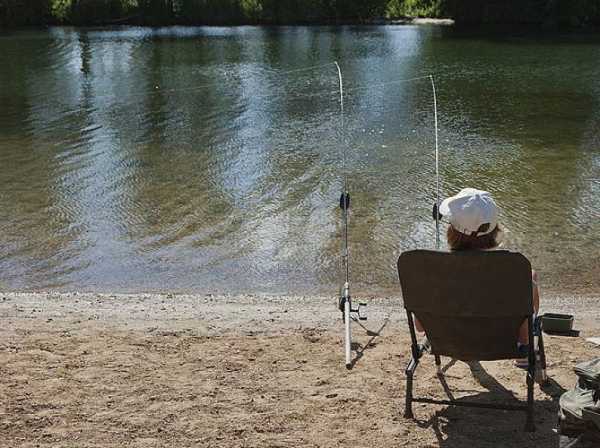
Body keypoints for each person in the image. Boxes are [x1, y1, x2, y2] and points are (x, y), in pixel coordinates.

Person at [415, 188, 540, 365]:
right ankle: (522, 358)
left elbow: (420, 327)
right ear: (495, 229)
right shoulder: (515, 274)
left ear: (452, 230)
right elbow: (525, 332)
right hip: (501, 345)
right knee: (531, 277)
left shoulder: (432, 274)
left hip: (448, 342)